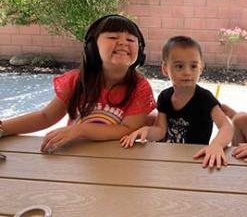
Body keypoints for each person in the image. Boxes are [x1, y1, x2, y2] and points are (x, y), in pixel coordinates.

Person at [0, 14, 156, 153]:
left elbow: (126, 129)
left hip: (117, 157)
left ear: (140, 52)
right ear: (92, 48)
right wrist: (3, 128)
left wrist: (81, 130)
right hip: (74, 155)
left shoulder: (140, 88)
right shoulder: (76, 80)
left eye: (130, 39)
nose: (122, 42)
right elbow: (46, 116)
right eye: (113, 37)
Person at [120, 36, 234, 169]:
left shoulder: (205, 98)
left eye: (193, 66)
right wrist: (146, 131)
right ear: (165, 68)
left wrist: (217, 145)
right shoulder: (165, 97)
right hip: (169, 158)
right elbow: (161, 131)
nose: (187, 72)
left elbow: (226, 127)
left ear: (201, 68)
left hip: (197, 160)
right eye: (179, 66)